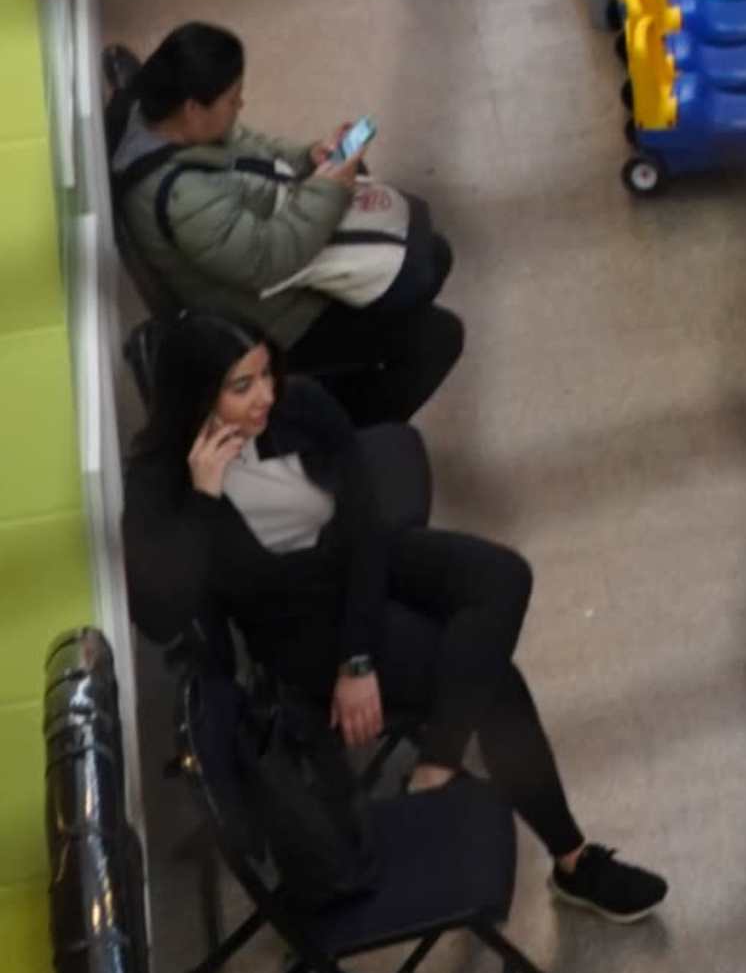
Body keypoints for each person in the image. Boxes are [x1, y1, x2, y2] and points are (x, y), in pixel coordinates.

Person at [122, 312, 664, 920]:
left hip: (355, 572)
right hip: (296, 628)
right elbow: (161, 617)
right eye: (241, 386)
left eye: (266, 373)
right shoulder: (160, 482)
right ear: (196, 395)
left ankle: (437, 766)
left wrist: (360, 659)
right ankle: (573, 860)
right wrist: (203, 501)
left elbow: (362, 523)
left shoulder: (296, 407)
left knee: (503, 576)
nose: (266, 396)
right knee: (495, 684)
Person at [108, 22, 464, 425]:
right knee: (437, 336)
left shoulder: (160, 119)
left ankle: (376, 335)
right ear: (193, 108)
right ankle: (348, 426)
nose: (240, 107)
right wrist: (330, 191)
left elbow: (249, 146)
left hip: (268, 257)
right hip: (277, 321)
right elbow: (270, 259)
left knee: (431, 256)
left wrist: (310, 157)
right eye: (231, 100)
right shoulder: (182, 200)